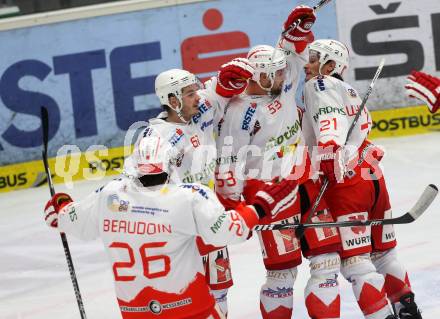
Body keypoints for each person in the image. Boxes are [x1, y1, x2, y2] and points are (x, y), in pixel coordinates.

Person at [43, 130, 299, 319]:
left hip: (136, 313)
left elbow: (63, 219)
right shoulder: (188, 197)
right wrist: (261, 205)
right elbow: (229, 231)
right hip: (191, 309)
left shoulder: (108, 196)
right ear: (168, 164)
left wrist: (62, 204)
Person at [215, 6, 342, 319]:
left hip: (306, 184)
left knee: (327, 262)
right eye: (279, 72)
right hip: (270, 196)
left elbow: (289, 50)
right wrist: (241, 205)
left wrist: (292, 35)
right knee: (282, 276)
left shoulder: (280, 79)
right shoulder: (237, 114)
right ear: (262, 75)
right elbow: (228, 164)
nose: (287, 75)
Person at [301, 38, 422, 319]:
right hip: (373, 178)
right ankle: (407, 310)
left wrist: (330, 152)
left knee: (357, 262)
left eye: (314, 58)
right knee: (384, 254)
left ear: (330, 65)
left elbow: (330, 121)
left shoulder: (320, 83)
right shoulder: (349, 89)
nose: (308, 65)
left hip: (346, 180)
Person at [123, 62, 254, 316]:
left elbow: (218, 91)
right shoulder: (155, 138)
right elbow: (144, 189)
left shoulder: (199, 111)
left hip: (210, 221)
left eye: (196, 90)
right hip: (182, 234)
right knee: (189, 302)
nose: (198, 97)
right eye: (190, 93)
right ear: (173, 100)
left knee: (220, 292)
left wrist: (228, 80)